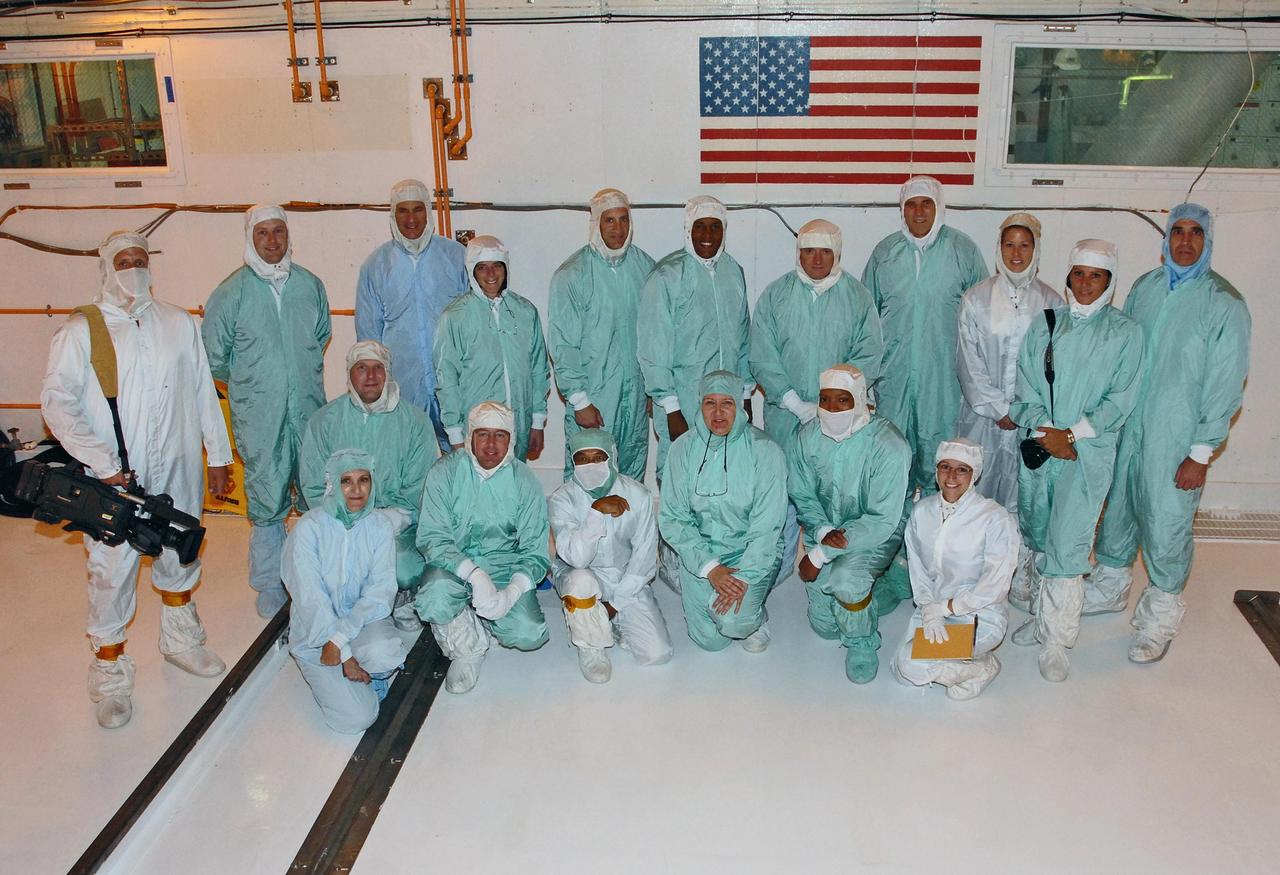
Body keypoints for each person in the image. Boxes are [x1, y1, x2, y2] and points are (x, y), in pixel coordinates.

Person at [42, 231, 233, 729]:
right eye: (123, 261)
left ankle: (181, 640)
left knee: (178, 549)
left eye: (140, 260)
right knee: (112, 570)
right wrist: (101, 462)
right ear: (108, 268)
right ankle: (110, 676)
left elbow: (202, 390)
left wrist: (218, 454)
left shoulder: (178, 322)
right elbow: (57, 404)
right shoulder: (81, 331)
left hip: (178, 465)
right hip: (114, 477)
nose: (133, 269)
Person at [1092, 204, 1251, 663]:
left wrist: (1200, 453)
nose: (1185, 241)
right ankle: (1109, 585)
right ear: (1165, 239)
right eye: (1177, 231)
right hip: (1131, 427)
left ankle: (1158, 619)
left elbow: (1226, 382)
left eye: (1195, 232)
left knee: (1166, 523)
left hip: (1178, 437)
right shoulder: (1145, 287)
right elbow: (1120, 353)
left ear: (1207, 240)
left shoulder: (1224, 303)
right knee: (1119, 509)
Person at [1009, 239, 1144, 682]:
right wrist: (1048, 432)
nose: (1086, 284)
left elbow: (1120, 399)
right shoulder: (1046, 324)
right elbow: (1024, 387)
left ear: (1110, 281)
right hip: (1042, 446)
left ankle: (1056, 641)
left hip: (1086, 453)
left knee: (1068, 542)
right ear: (1068, 276)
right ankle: (1041, 616)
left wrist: (1072, 435)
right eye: (1079, 274)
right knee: (1039, 533)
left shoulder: (1125, 333)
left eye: (1096, 276)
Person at [203, 204, 331, 618]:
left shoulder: (309, 285)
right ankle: (270, 583)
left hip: (307, 410)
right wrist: (256, 386)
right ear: (250, 238)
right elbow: (214, 358)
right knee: (266, 495)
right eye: (263, 233)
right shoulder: (231, 293)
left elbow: (321, 336)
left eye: (279, 231)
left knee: (314, 490)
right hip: (259, 415)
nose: (273, 240)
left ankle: (314, 576)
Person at [751, 218, 884, 585]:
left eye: (825, 251)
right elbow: (762, 354)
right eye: (808, 251)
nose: (816, 259)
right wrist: (795, 403)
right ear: (799, 253)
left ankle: (832, 561)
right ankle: (777, 566)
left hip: (841, 417)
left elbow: (869, 354)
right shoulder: (776, 295)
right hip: (785, 414)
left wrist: (833, 405)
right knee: (784, 487)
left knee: (834, 489)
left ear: (837, 253)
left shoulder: (857, 297)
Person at [956, 213, 1060, 611]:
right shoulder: (976, 298)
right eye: (1009, 244)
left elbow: (1054, 366)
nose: (1016, 253)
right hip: (983, 418)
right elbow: (968, 360)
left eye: (1025, 245)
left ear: (1036, 250)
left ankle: (1017, 574)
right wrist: (997, 407)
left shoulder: (1051, 302)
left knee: (1023, 496)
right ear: (998, 249)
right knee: (979, 490)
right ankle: (973, 572)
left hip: (1030, 420)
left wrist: (1022, 411)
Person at [861, 175, 987, 494]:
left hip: (944, 382)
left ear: (938, 207)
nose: (918, 212)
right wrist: (866, 380)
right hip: (893, 378)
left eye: (926, 204)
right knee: (893, 459)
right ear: (902, 210)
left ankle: (938, 524)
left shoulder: (963, 251)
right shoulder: (884, 253)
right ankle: (896, 525)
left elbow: (983, 317)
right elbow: (866, 320)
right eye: (911, 205)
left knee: (942, 460)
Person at [414, 401, 551, 693]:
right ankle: (467, 648)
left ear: (511, 439)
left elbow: (536, 551)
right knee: (434, 599)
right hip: (452, 566)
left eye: (500, 435)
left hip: (503, 568)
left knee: (529, 633)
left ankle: (487, 617)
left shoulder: (524, 481)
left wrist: (511, 592)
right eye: (482, 434)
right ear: (470, 437)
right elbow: (432, 537)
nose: (490, 444)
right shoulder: (444, 472)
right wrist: (474, 575)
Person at [300, 340, 434, 631]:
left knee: (404, 567)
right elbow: (313, 484)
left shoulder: (414, 422)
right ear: (349, 373)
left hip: (397, 525)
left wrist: (392, 519)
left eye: (378, 368)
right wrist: (344, 520)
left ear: (388, 373)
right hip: (340, 522)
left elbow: (421, 487)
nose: (371, 376)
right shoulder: (324, 421)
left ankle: (402, 597)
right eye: (362, 368)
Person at [789, 365, 910, 683]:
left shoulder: (888, 444)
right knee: (825, 627)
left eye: (842, 400)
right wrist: (822, 532)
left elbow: (882, 518)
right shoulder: (808, 436)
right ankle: (891, 585)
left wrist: (820, 554)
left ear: (859, 399)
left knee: (845, 582)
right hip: (824, 528)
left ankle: (862, 643)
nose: (831, 409)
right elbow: (802, 494)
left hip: (876, 530)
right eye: (824, 399)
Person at [282, 449, 412, 734]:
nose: (356, 490)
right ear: (332, 484)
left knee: (384, 653)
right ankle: (348, 683)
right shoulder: (309, 528)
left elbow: (380, 591)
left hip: (359, 623)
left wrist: (341, 638)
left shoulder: (379, 526)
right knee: (355, 720)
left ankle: (369, 678)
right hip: (316, 633)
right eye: (346, 481)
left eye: (364, 480)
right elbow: (310, 598)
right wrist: (344, 655)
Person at [659, 371, 786, 653]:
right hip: (702, 554)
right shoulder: (682, 449)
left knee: (733, 622)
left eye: (727, 403)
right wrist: (710, 568)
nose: (718, 413)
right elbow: (673, 518)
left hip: (749, 554)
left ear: (739, 405)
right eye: (710, 403)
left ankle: (755, 616)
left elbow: (767, 526)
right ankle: (698, 583)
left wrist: (744, 577)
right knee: (710, 642)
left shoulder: (765, 451)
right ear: (700, 405)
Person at [893, 439, 1019, 700]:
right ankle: (966, 663)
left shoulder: (994, 518)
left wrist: (948, 608)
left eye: (962, 469)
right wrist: (930, 609)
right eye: (945, 467)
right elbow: (918, 570)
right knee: (902, 674)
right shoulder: (922, 512)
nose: (951, 476)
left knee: (910, 664)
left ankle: (982, 667)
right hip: (933, 611)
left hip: (979, 616)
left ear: (975, 474)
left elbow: (995, 585)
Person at [638, 195, 753, 475]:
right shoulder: (667, 276)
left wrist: (745, 394)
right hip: (684, 402)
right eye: (700, 226)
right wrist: (670, 407)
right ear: (689, 229)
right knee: (681, 475)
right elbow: (653, 349)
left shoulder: (733, 271)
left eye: (715, 227)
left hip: (727, 402)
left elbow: (743, 337)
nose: (707, 235)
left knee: (725, 475)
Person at [548, 429, 673, 683]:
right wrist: (595, 513)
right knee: (581, 580)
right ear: (573, 462)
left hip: (625, 575)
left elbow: (644, 560)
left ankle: (609, 620)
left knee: (657, 654)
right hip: (580, 573)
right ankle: (591, 646)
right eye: (582, 459)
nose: (590, 465)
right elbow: (577, 558)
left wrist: (615, 605)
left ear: (612, 458)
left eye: (598, 457)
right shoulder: (562, 499)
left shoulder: (638, 495)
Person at [548, 188, 656, 480]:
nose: (618, 228)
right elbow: (563, 344)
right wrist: (579, 400)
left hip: (635, 397)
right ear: (596, 222)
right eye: (609, 220)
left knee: (631, 473)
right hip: (594, 397)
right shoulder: (572, 274)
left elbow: (654, 335)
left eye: (624, 219)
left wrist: (653, 388)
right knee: (589, 473)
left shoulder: (646, 268)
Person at [355, 179, 469, 454]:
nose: (411, 219)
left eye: (417, 209)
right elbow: (368, 335)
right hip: (402, 383)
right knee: (409, 455)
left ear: (427, 212)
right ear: (393, 215)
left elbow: (473, 322)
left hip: (454, 380)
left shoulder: (456, 257)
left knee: (462, 455)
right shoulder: (376, 265)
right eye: (403, 211)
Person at [433, 236, 550, 463]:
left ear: (506, 268)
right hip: (477, 431)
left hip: (518, 425)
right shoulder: (454, 317)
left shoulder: (525, 312)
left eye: (497, 265)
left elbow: (538, 369)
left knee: (514, 480)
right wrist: (455, 434)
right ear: (471, 271)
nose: (491, 274)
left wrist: (536, 421)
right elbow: (447, 379)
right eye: (482, 267)